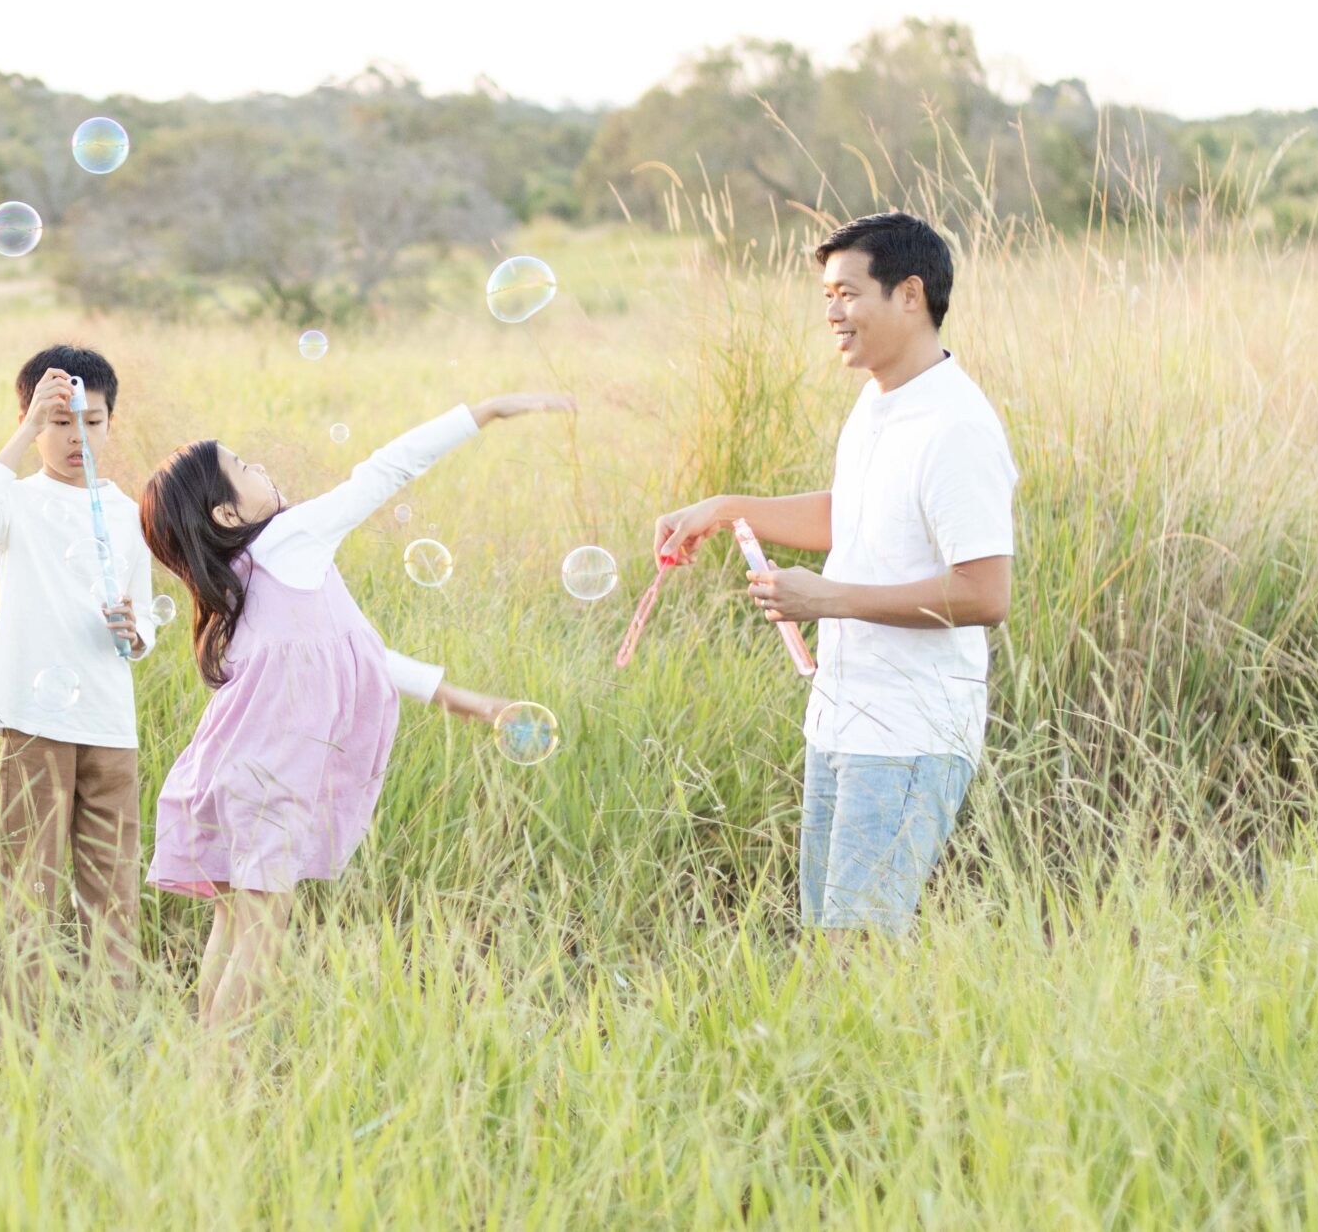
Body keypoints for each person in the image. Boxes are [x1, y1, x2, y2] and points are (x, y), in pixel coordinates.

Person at [139, 393, 572, 1032]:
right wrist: (484, 412)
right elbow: (384, 471)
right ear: (228, 510)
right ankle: (215, 1085)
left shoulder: (235, 582)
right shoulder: (290, 540)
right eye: (245, 465)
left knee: (231, 928)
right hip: (271, 785)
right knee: (261, 939)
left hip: (226, 776)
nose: (263, 468)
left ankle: (207, 1067)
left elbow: (360, 655)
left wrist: (469, 703)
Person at [654, 211, 1017, 936]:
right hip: (843, 717)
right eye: (827, 294)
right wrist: (724, 508)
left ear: (909, 295)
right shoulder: (879, 400)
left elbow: (985, 592)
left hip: (909, 730)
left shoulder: (957, 427)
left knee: (858, 948)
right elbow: (853, 516)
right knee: (830, 938)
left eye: (847, 293)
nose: (831, 313)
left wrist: (830, 599)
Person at [0, 345, 158, 993]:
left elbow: (143, 617)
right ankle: (26, 1025)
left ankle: (110, 1021)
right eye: (59, 420)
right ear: (33, 419)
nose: (77, 436)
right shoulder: (17, 499)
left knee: (114, 887)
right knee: (29, 885)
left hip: (108, 720)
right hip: (34, 716)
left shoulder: (127, 512)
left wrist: (137, 632)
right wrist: (22, 431)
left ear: (111, 424)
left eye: (92, 421)